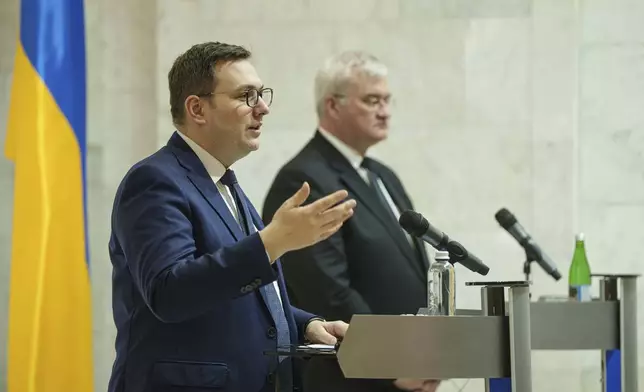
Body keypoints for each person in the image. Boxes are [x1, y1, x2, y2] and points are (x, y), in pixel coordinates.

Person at [107, 41, 355, 392]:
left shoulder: (225, 183)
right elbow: (169, 292)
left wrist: (305, 326)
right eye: (246, 96)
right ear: (197, 109)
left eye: (262, 94)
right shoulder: (154, 181)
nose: (263, 108)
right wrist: (271, 242)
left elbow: (239, 300)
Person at [262, 51, 440, 392]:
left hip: (409, 370)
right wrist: (389, 365)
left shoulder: (381, 175)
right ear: (333, 106)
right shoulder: (305, 179)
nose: (385, 111)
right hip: (350, 377)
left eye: (387, 100)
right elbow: (329, 291)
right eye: (372, 100)